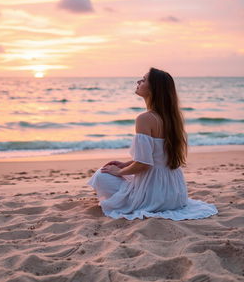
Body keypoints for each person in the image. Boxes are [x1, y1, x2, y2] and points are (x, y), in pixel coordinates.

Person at [87, 68, 218, 220]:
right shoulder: (172, 119)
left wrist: (118, 172)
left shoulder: (144, 118)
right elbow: (157, 156)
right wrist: (124, 164)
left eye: (143, 80)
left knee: (100, 175)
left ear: (153, 88)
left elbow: (144, 165)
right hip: (175, 194)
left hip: (155, 195)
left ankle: (130, 197)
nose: (138, 82)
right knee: (114, 174)